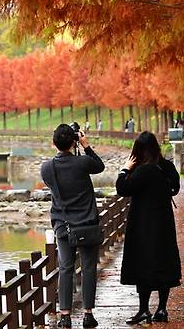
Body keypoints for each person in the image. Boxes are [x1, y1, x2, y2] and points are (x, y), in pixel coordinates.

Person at [40, 124, 105, 329]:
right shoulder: (83, 163)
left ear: (54, 143)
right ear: (73, 141)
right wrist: (85, 146)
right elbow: (99, 166)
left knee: (66, 268)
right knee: (88, 268)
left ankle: (65, 316)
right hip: (86, 225)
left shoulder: (46, 167)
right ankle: (88, 315)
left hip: (63, 225)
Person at [116, 132, 181, 324]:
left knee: (143, 263)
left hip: (142, 223)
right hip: (163, 221)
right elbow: (175, 188)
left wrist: (124, 170)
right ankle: (162, 309)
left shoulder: (141, 170)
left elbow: (122, 189)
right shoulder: (166, 166)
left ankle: (144, 309)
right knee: (163, 261)